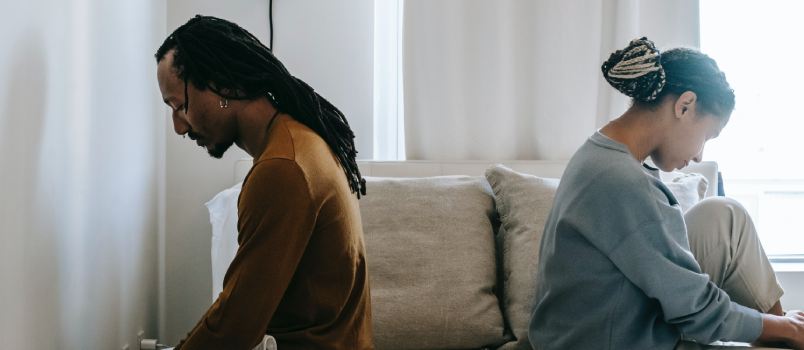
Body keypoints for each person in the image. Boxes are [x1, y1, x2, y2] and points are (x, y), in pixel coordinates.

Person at [528, 37, 804, 349]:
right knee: (761, 328)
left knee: (724, 215)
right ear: (684, 106)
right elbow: (698, 310)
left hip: (619, 320)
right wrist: (781, 328)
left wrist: (780, 325)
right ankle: (789, 334)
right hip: (616, 341)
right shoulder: (623, 182)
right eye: (708, 136)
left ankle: (789, 332)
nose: (700, 156)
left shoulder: (601, 152)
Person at [155, 15, 374, 350]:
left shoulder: (282, 169)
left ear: (223, 85)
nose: (179, 127)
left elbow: (233, 329)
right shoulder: (302, 139)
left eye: (180, 106)